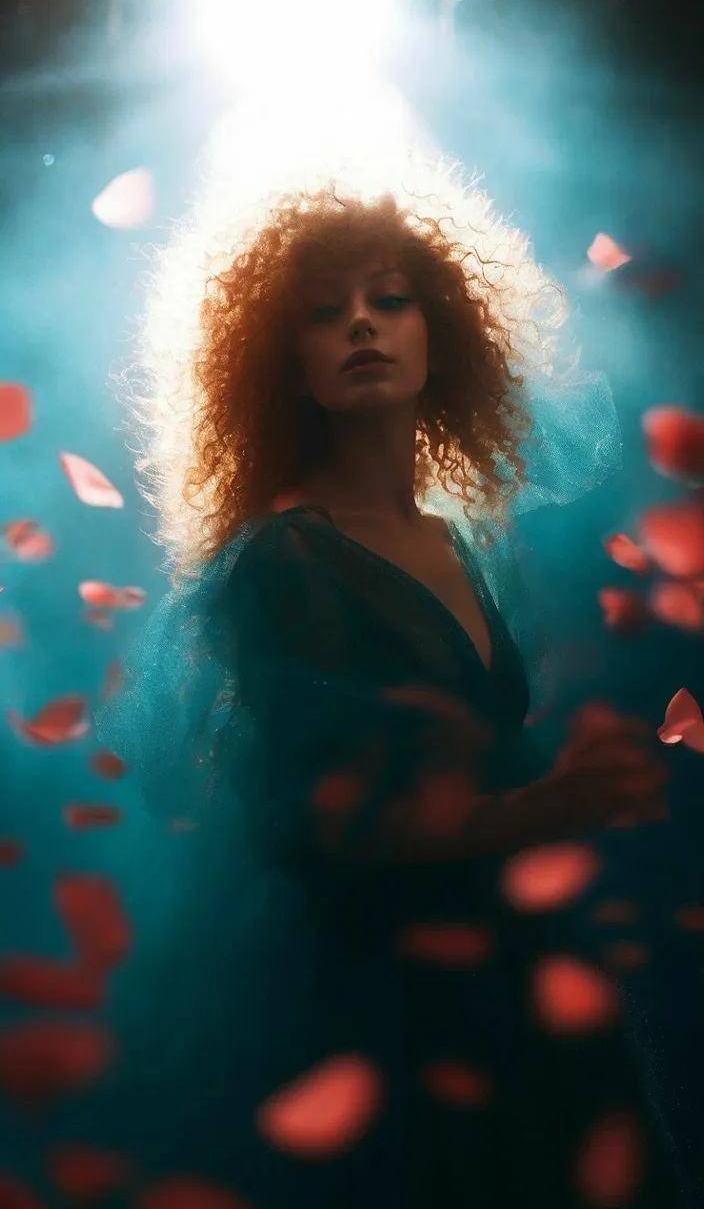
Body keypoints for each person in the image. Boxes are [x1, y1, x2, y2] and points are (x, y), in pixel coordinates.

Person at [97, 152, 685, 1206]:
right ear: (285, 362)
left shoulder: (461, 540)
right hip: (379, 1003)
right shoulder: (284, 559)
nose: (361, 325)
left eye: (388, 300)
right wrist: (545, 806)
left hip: (506, 969)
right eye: (326, 313)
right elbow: (332, 829)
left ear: (438, 332)